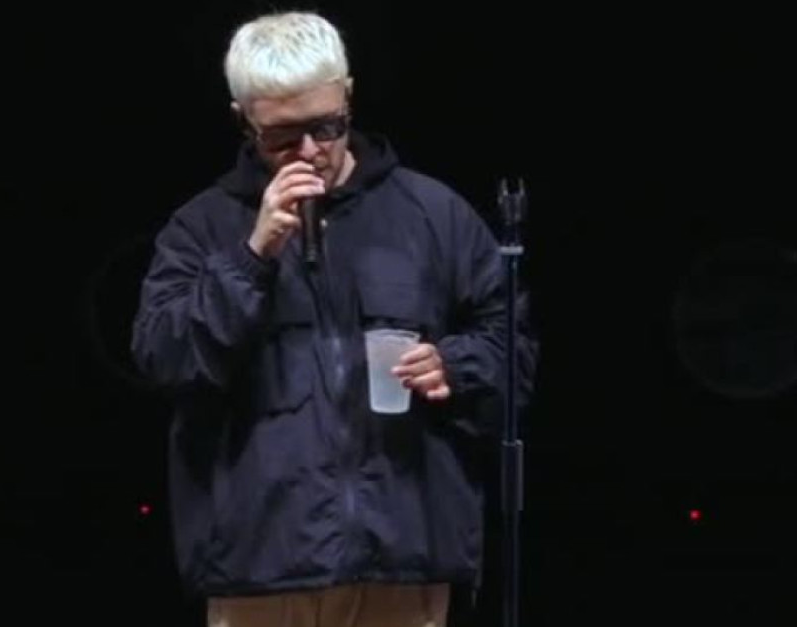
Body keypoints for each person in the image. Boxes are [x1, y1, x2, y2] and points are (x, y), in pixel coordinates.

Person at [130, 10, 536, 627]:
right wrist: (252, 257)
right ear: (243, 120)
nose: (311, 152)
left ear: (348, 95)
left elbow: (512, 346)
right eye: (282, 137)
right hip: (262, 568)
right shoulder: (201, 228)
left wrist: (456, 366)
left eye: (327, 127)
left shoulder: (434, 214)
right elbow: (164, 359)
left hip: (404, 559)